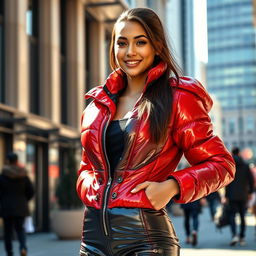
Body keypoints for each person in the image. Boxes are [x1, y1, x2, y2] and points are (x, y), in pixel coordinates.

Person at [76, 8, 235, 256]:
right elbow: (87, 166)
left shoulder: (177, 99)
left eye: (141, 42)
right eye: (122, 43)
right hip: (92, 241)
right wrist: (90, 189)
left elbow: (221, 165)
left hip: (146, 241)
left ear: (157, 46)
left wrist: (173, 185)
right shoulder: (96, 107)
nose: (130, 52)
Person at [0, 153, 34, 256]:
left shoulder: (3, 176)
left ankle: (9, 253)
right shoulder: (23, 175)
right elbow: (31, 191)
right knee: (20, 229)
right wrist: (24, 200)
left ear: (8, 161)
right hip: (21, 207)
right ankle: (23, 248)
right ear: (16, 160)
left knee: (8, 232)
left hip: (7, 207)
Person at [225, 147, 254, 246]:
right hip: (243, 195)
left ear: (232, 154)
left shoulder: (230, 165)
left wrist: (226, 195)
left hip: (232, 195)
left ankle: (234, 235)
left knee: (232, 215)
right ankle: (242, 237)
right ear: (240, 153)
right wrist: (250, 193)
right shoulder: (246, 166)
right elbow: (251, 181)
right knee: (242, 216)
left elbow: (227, 181)